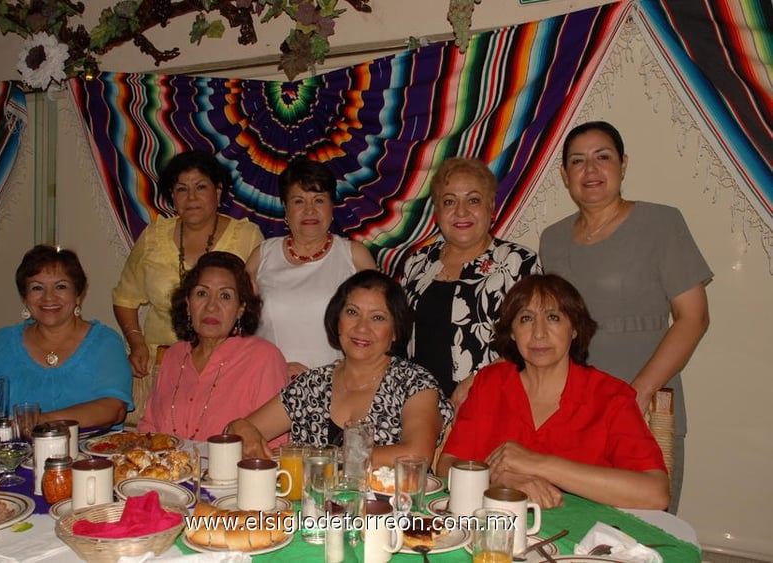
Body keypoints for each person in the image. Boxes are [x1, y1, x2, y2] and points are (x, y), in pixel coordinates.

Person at [539, 121, 711, 512]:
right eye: (577, 161)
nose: (591, 170)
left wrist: (635, 395)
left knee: (645, 530)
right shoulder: (552, 238)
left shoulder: (662, 223)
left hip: (644, 401)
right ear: (565, 175)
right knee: (576, 525)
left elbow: (693, 318)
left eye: (603, 157)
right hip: (573, 406)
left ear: (623, 164)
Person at [436, 274, 669, 510]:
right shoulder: (490, 383)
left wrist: (537, 464)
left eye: (553, 317)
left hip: (586, 539)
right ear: (513, 332)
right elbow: (447, 465)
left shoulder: (610, 396)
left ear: (575, 329)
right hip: (496, 532)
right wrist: (498, 479)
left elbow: (655, 494)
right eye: (526, 318)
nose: (539, 333)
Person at [227, 270, 454, 467]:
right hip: (310, 512)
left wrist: (326, 457)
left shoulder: (415, 384)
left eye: (377, 318)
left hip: (388, 513)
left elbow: (417, 454)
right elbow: (239, 432)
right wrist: (240, 428)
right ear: (337, 320)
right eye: (352, 313)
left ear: (395, 331)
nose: (362, 327)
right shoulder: (312, 384)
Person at [112, 150, 263, 423]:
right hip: (160, 366)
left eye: (201, 187)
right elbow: (125, 297)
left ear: (218, 192)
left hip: (225, 369)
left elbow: (255, 303)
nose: (191, 197)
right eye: (182, 189)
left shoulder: (247, 237)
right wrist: (136, 343)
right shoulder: (153, 237)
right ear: (172, 196)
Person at [0, 245, 133, 430]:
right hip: (13, 459)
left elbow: (113, 409)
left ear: (78, 295)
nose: (49, 297)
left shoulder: (105, 342)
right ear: (25, 297)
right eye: (37, 288)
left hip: (87, 460)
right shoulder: (2, 343)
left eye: (61, 287)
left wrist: (41, 421)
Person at [401, 157, 541, 406]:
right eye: (449, 201)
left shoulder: (520, 263)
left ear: (491, 207)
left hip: (494, 405)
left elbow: (536, 339)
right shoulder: (417, 263)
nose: (461, 211)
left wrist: (480, 381)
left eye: (473, 200)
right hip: (421, 412)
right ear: (437, 213)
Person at [246, 157, 376, 378]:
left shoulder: (354, 255)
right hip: (268, 384)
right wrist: (274, 368)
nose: (309, 210)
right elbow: (240, 327)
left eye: (318, 200)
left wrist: (338, 372)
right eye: (298, 201)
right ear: (285, 209)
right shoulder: (262, 254)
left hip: (337, 386)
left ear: (331, 207)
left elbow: (377, 326)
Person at [137, 252, 289, 442]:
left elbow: (276, 447)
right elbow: (148, 427)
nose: (211, 306)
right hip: (165, 469)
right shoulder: (174, 355)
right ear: (187, 303)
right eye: (202, 293)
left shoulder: (264, 358)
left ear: (241, 308)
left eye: (225, 296)